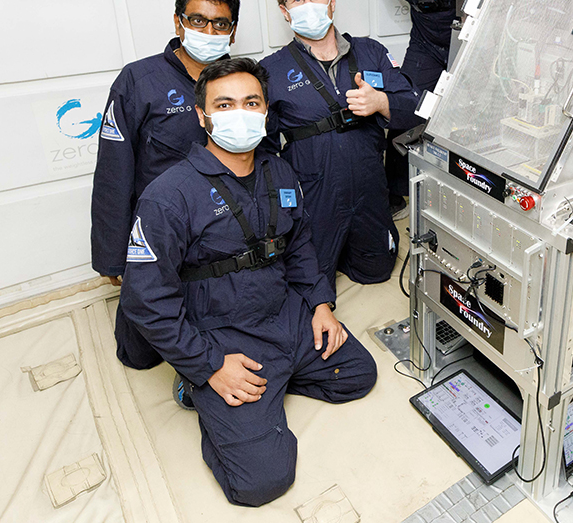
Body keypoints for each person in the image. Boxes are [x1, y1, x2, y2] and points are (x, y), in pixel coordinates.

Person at [115, 57, 377, 507]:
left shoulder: (279, 171)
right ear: (203, 117)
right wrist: (209, 365)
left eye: (250, 102)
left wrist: (320, 305)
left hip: (284, 316)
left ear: (266, 110)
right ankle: (198, 390)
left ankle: (270, 384)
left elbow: (299, 245)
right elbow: (145, 300)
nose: (240, 112)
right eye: (225, 103)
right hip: (222, 334)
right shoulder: (168, 196)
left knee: (357, 375)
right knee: (261, 483)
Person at [231, 0, 566, 217]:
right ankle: (394, 196)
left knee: (481, 115)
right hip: (427, 41)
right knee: (403, 109)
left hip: (477, 40)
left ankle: (480, 195)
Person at [259, 0, 420, 292]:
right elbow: (264, 147)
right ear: (285, 11)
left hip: (370, 187)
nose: (308, 6)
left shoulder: (370, 51)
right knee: (312, 287)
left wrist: (381, 103)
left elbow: (414, 106)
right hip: (316, 192)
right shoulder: (271, 70)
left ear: (332, 1)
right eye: (297, 0)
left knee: (378, 271)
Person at [91, 0, 239, 285]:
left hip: (229, 230)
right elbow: (113, 172)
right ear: (178, 23)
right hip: (163, 231)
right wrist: (112, 255)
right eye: (198, 20)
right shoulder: (139, 80)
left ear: (233, 32)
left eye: (220, 24)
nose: (209, 32)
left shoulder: (244, 82)